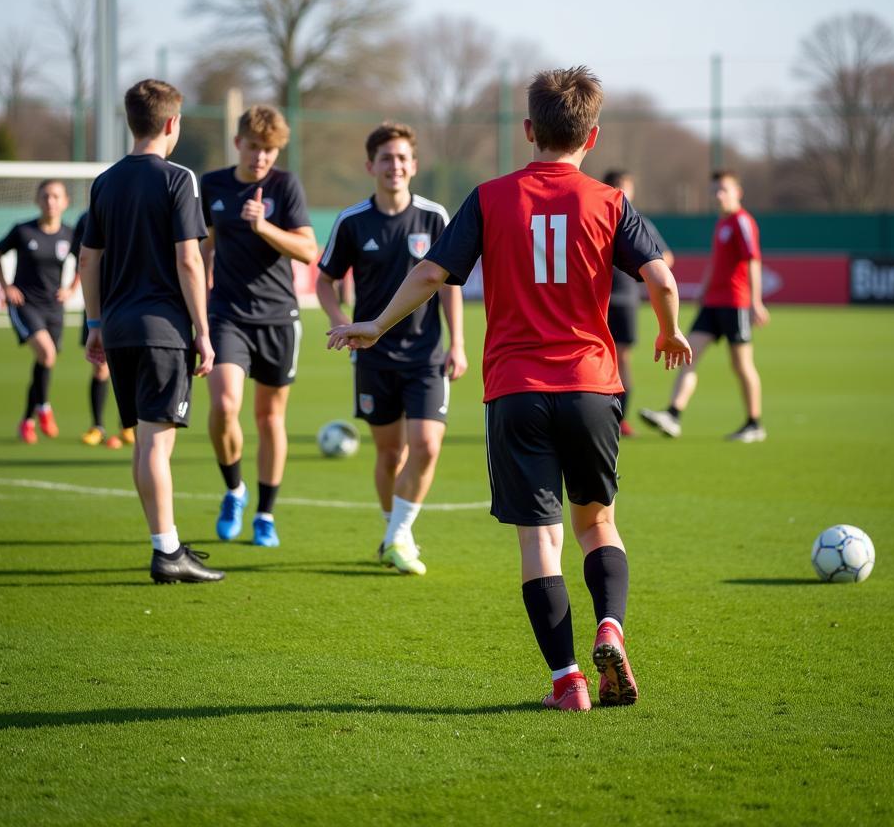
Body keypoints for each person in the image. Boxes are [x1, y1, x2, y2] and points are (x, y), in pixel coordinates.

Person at [327, 68, 691, 711]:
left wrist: (377, 325)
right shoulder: (610, 202)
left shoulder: (491, 197)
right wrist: (669, 331)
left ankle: (568, 681)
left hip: (516, 389)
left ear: (528, 130)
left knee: (538, 538)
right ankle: (611, 623)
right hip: (592, 387)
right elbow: (661, 279)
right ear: (593, 134)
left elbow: (433, 273)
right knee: (597, 522)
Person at [78, 78, 224, 585]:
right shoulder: (179, 178)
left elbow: (87, 260)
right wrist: (204, 333)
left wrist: (94, 323)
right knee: (157, 447)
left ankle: (165, 544)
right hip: (164, 330)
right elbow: (189, 260)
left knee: (145, 444)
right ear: (171, 123)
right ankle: (167, 553)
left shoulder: (106, 182)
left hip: (118, 329)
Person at [316, 122, 468, 576]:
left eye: (402, 158)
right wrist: (340, 323)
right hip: (374, 357)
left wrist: (457, 342)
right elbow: (325, 281)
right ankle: (393, 530)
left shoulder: (434, 216)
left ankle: (400, 535)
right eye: (386, 158)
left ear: (414, 165)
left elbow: (449, 285)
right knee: (390, 454)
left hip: (426, 356)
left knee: (426, 446)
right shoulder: (352, 220)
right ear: (371, 166)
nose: (395, 166)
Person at [201, 105, 317, 547]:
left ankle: (265, 515)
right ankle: (234, 490)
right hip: (226, 314)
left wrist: (264, 226)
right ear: (238, 144)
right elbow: (204, 248)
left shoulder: (286, 187)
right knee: (225, 405)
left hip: (278, 318)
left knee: (270, 419)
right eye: (254, 148)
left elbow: (308, 250)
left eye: (269, 151)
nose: (261, 158)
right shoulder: (212, 185)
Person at [639, 169, 769, 442]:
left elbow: (753, 260)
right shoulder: (721, 224)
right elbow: (716, 262)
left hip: (735, 304)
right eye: (714, 191)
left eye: (723, 190)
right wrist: (704, 289)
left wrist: (755, 301)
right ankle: (673, 415)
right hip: (713, 303)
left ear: (737, 192)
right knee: (689, 354)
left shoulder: (742, 222)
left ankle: (754, 423)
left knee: (741, 365)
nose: (718, 196)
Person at [0, 180, 75, 444]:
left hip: (54, 307)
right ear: (38, 200)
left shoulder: (69, 234)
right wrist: (6, 286)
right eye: (45, 196)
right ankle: (45, 408)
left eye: (56, 196)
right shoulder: (23, 230)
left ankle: (27, 421)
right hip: (25, 304)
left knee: (43, 361)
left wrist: (72, 288)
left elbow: (86, 260)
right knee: (46, 354)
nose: (50, 201)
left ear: (65, 202)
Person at [601, 171, 674, 436]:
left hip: (625, 300)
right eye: (615, 187)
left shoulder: (637, 222)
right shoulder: (596, 215)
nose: (620, 192)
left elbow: (665, 258)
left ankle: (619, 418)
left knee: (621, 359)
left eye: (625, 187)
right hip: (597, 299)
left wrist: (641, 267)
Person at [69, 211, 132, 450]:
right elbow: (83, 260)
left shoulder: (139, 211)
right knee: (100, 365)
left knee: (131, 365)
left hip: (131, 298)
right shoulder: (87, 219)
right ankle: (97, 426)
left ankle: (128, 424)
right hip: (99, 301)